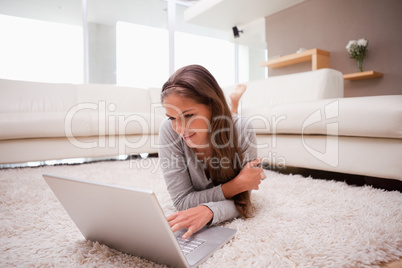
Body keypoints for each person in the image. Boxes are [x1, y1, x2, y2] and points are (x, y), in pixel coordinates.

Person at [158, 65, 266, 240]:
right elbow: (182, 202)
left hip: (227, 125)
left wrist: (208, 211)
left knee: (231, 122)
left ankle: (234, 103)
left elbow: (243, 202)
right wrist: (237, 185)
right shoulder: (169, 131)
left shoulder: (243, 128)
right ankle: (234, 103)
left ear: (213, 106)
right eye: (172, 118)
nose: (179, 129)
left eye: (188, 115)